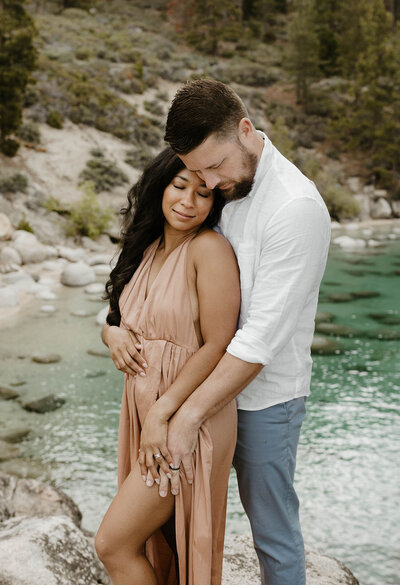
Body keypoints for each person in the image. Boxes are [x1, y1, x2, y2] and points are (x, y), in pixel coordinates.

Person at [140, 79, 332, 585]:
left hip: (264, 400)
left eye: (215, 166)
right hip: (195, 389)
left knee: (271, 530)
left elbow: (259, 339)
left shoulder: (295, 208)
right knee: (174, 523)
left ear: (246, 130)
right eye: (197, 171)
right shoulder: (224, 184)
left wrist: (186, 416)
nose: (209, 182)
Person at [95, 147, 241, 585]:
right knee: (163, 546)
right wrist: (110, 333)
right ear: (161, 186)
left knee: (114, 544)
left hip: (185, 419)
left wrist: (163, 414)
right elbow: (121, 317)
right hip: (145, 413)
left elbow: (218, 344)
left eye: (203, 194)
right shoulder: (147, 246)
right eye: (179, 186)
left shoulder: (209, 250)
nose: (188, 202)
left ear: (215, 204)